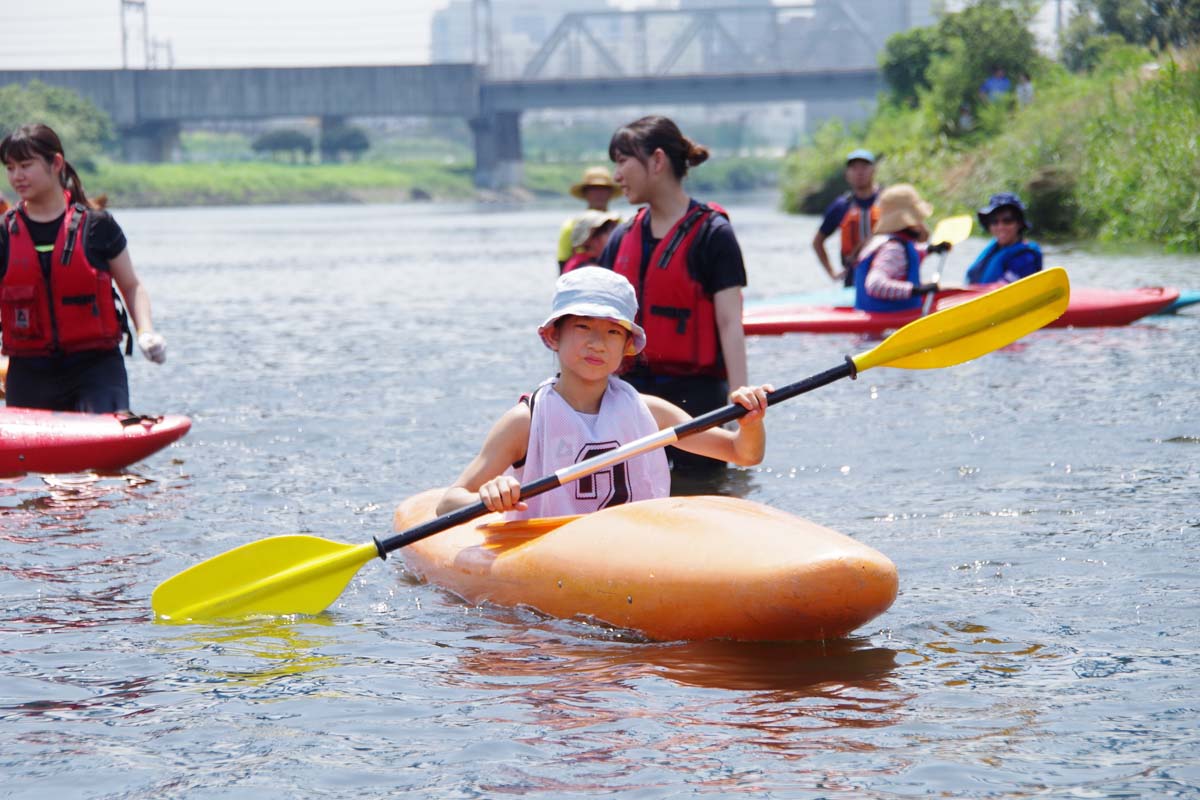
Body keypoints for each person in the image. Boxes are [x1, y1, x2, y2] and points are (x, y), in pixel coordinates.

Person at [436, 267, 771, 518]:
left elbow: (743, 454)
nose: (597, 343)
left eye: (612, 331)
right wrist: (491, 495)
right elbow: (449, 502)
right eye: (583, 326)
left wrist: (751, 421)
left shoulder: (650, 412)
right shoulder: (525, 422)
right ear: (554, 336)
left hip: (628, 549)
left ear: (627, 346)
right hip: (550, 551)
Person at [598, 115, 750, 478]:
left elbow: (730, 323)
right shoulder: (621, 237)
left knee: (700, 493)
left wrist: (740, 403)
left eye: (622, 161)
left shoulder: (714, 234)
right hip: (629, 397)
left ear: (657, 161)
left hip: (698, 399)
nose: (616, 175)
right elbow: (594, 323)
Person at [1, 123, 166, 413]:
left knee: (101, 451)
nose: (17, 176)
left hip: (96, 368)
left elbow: (131, 285)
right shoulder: (4, 233)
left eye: (26, 165)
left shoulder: (98, 226)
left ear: (56, 164)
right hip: (29, 371)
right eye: (10, 167)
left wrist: (146, 331)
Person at [853, 184, 949, 312]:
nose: (921, 224)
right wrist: (916, 290)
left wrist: (931, 249)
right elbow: (874, 284)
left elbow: (905, 260)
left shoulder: (888, 243)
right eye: (917, 219)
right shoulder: (893, 249)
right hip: (887, 325)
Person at [812, 149, 881, 287]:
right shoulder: (840, 206)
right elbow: (817, 242)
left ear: (873, 171)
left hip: (886, 274)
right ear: (847, 174)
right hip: (853, 279)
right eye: (854, 168)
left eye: (864, 167)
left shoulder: (888, 201)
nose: (859, 172)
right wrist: (832, 273)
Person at [965, 192, 1042, 286]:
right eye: (994, 222)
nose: (1000, 227)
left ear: (1019, 224)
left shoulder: (1026, 257)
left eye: (1007, 221)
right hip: (978, 295)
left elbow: (1001, 289)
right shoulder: (994, 249)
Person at [556, 166, 619, 271]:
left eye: (603, 189)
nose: (599, 193)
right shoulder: (571, 226)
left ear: (610, 192)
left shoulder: (621, 224)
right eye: (594, 189)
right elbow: (563, 262)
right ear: (585, 192)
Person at [561, 209, 620, 274]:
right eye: (609, 230)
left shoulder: (584, 261)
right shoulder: (589, 269)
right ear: (592, 239)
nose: (615, 234)